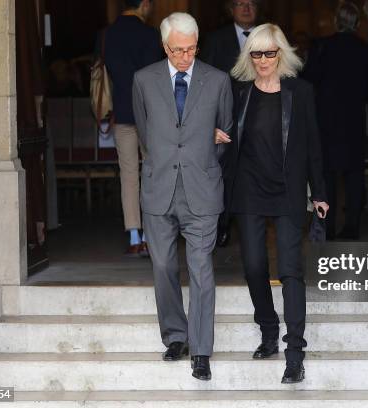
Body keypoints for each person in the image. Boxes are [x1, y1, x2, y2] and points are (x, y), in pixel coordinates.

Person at [218, 23, 328, 384]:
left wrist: (320, 192)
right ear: (248, 57)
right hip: (248, 190)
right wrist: (217, 135)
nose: (263, 60)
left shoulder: (301, 92)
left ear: (281, 53)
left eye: (269, 53)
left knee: (291, 270)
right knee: (252, 265)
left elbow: (313, 145)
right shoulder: (239, 93)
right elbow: (225, 132)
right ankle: (267, 327)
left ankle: (294, 352)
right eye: (256, 53)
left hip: (288, 190)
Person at [132, 12, 233, 381]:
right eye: (177, 50)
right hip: (159, 188)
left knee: (202, 269)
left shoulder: (218, 80)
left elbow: (225, 133)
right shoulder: (142, 80)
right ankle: (175, 336)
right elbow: (147, 133)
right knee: (161, 267)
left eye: (190, 49)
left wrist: (199, 155)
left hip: (202, 190)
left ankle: (201, 349)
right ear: (164, 46)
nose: (185, 57)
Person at [303, 2, 368, 240]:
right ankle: (352, 226)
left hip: (327, 122)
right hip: (353, 121)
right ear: (356, 22)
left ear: (335, 21)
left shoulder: (322, 47)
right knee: (354, 176)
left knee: (328, 177)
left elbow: (309, 78)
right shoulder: (364, 49)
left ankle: (328, 226)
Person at [102, 0, 162, 255]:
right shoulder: (149, 34)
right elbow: (154, 74)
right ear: (145, 5)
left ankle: (134, 237)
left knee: (128, 175)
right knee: (152, 172)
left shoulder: (108, 33)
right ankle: (151, 233)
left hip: (123, 110)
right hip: (149, 114)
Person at [201, 0, 260, 247]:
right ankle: (222, 225)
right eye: (240, 3)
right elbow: (204, 80)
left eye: (251, 3)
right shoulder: (216, 40)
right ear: (230, 9)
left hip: (260, 118)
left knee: (257, 172)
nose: (246, 8)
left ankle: (253, 224)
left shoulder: (266, 36)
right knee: (225, 174)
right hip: (226, 119)